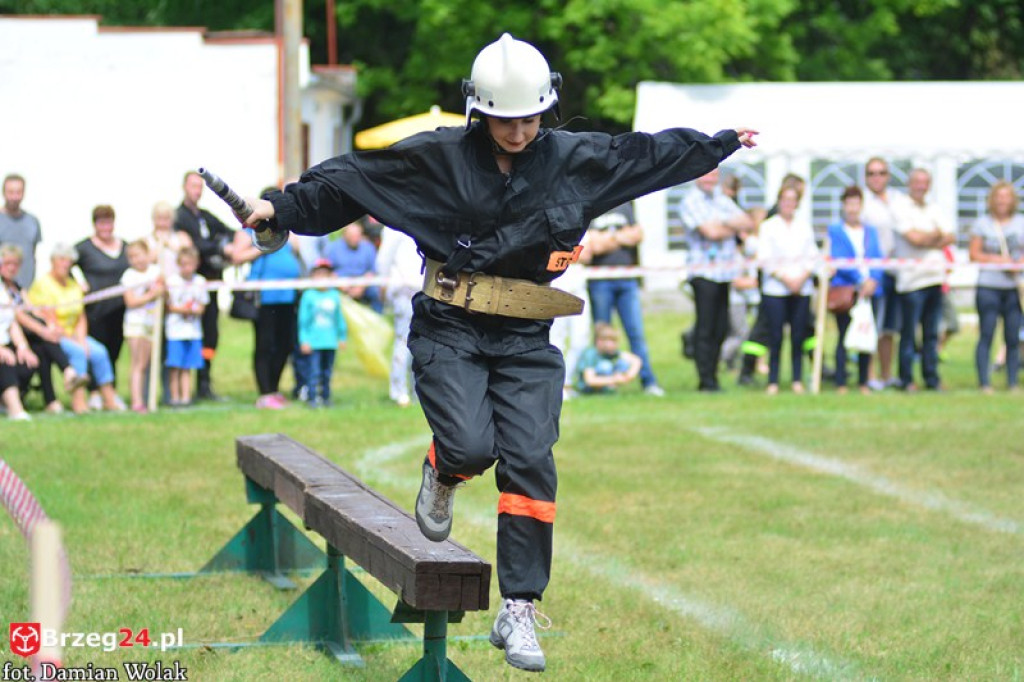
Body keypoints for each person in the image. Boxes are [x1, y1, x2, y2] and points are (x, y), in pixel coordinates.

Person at [239, 33, 756, 673]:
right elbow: (351, 180)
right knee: (469, 447)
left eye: (530, 117)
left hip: (526, 336)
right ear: (479, 111)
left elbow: (644, 155)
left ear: (547, 108)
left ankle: (518, 608)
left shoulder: (576, 159)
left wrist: (719, 141)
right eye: (504, 119)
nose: (518, 130)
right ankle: (444, 467)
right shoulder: (436, 158)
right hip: (448, 326)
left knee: (532, 458)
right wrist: (279, 208)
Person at [680, 168, 755, 391]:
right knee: (706, 327)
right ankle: (706, 380)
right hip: (703, 272)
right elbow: (710, 232)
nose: (710, 179)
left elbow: (747, 222)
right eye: (706, 175)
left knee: (721, 327)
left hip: (725, 272)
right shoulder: (690, 200)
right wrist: (731, 226)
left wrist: (722, 224)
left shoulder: (721, 198)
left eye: (714, 175)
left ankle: (713, 373)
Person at [28, 244, 122, 414]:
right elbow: (48, 316)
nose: (65, 264)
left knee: (99, 352)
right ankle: (79, 402)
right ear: (53, 262)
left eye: (69, 261)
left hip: (75, 334)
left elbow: (80, 316)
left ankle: (109, 398)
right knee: (78, 353)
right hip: (55, 336)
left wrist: (81, 338)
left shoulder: (73, 285)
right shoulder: (43, 284)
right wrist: (74, 340)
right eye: (62, 260)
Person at [584, 203, 664, 396]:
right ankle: (604, 384)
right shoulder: (592, 204)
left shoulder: (626, 205)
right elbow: (591, 246)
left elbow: (638, 234)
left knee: (636, 334)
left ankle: (648, 382)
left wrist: (608, 238)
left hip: (627, 280)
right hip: (599, 280)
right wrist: (622, 236)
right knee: (602, 335)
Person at [1, 244, 85, 414]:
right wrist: (42, 330)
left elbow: (32, 310)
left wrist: (50, 326)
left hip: (24, 337)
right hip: (11, 338)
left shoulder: (17, 287)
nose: (12, 267)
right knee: (43, 341)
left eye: (15, 264)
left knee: (42, 349)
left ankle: (52, 399)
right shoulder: (2, 289)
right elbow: (18, 316)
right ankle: (66, 375)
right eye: (7, 263)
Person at [174, 170, 236, 401]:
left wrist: (228, 243)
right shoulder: (179, 217)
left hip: (210, 286)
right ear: (184, 187)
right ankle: (181, 389)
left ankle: (204, 383)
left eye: (200, 187)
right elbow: (196, 247)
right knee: (188, 337)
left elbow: (228, 231)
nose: (197, 191)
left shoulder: (204, 216)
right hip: (190, 290)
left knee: (211, 335)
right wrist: (220, 248)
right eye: (193, 186)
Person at [893, 168, 954, 391]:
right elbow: (914, 239)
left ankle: (931, 378)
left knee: (932, 335)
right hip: (911, 281)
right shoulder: (900, 206)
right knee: (908, 335)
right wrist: (935, 235)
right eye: (917, 182)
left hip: (935, 279)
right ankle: (906, 379)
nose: (921, 186)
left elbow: (950, 235)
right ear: (910, 183)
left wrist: (927, 237)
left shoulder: (934, 207)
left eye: (925, 182)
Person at [756, 185, 819, 394]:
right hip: (775, 289)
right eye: (785, 199)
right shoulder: (768, 226)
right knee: (775, 336)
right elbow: (764, 258)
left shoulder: (804, 226)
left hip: (801, 288)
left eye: (792, 199)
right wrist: (785, 278)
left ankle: (797, 379)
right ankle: (773, 380)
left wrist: (801, 278)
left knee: (798, 336)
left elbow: (812, 256)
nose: (788, 204)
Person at [232, 224, 302, 409]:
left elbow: (296, 251)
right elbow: (237, 256)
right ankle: (265, 392)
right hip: (263, 299)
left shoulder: (284, 231)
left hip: (287, 297)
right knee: (265, 344)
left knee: (285, 345)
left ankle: (274, 389)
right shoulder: (250, 232)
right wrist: (264, 246)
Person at [861, 157, 912, 389]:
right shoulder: (863, 204)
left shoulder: (900, 200)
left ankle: (886, 373)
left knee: (890, 328)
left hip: (897, 272)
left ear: (888, 175)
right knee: (872, 326)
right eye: (872, 173)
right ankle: (870, 375)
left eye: (881, 172)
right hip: (873, 273)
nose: (877, 177)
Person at [969, 181, 1024, 393]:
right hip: (988, 286)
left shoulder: (1020, 222)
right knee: (986, 333)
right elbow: (974, 254)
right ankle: (985, 382)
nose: (1002, 200)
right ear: (992, 199)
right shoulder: (982, 223)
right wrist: (997, 260)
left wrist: (1016, 264)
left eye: (1006, 196)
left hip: (1013, 287)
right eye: (998, 196)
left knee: (1012, 336)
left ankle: (1012, 382)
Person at [828, 186, 883, 394]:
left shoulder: (871, 231)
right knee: (843, 336)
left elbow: (877, 257)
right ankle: (841, 381)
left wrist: (873, 280)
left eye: (856, 203)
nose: (853, 208)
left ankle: (863, 381)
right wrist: (861, 280)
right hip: (847, 290)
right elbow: (840, 258)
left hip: (870, 292)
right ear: (844, 206)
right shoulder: (836, 230)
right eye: (849, 203)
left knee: (866, 335)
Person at [75, 204, 129, 409]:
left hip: (120, 309)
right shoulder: (84, 248)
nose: (105, 227)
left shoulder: (124, 246)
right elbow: (65, 263)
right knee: (96, 350)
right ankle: (94, 392)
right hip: (95, 311)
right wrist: (78, 283)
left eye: (109, 222)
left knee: (114, 351)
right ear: (95, 224)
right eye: (101, 222)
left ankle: (111, 391)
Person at [375, 226, 422, 407]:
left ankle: (411, 391)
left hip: (418, 288)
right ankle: (400, 391)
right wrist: (383, 282)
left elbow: (383, 259)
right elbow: (384, 259)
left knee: (412, 343)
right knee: (405, 342)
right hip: (406, 290)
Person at [120, 240, 164, 412]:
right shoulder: (129, 276)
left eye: (138, 255)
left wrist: (161, 290)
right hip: (135, 324)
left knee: (147, 364)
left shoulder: (155, 271)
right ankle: (137, 401)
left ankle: (148, 398)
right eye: (131, 257)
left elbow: (163, 289)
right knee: (137, 363)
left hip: (152, 322)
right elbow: (130, 301)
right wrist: (151, 295)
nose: (135, 260)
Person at [297, 259, 347, 407]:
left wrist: (342, 337)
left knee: (327, 372)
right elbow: (303, 321)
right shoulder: (308, 296)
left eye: (325, 274)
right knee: (314, 372)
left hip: (330, 342)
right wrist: (304, 340)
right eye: (319, 274)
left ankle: (326, 397)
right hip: (314, 342)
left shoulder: (334, 295)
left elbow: (339, 319)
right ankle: (312, 397)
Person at [164, 247, 208, 406]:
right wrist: (183, 309)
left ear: (196, 264)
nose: (186, 268)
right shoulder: (172, 282)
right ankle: (174, 398)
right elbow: (167, 306)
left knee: (187, 367)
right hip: (175, 332)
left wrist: (193, 310)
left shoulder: (200, 282)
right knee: (175, 366)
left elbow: (202, 306)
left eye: (189, 264)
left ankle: (186, 397)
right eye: (183, 264)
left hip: (193, 331)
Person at [0, 257, 36, 421]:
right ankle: (15, 409)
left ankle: (4, 402)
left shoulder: (3, 289)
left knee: (27, 362)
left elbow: (11, 321)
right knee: (5, 361)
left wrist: (23, 347)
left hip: (6, 342)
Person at [325, 219, 383, 313]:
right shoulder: (333, 248)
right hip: (340, 286)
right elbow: (328, 272)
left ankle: (377, 319)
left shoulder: (368, 248)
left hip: (363, 285)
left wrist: (361, 287)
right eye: (352, 236)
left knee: (375, 291)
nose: (355, 239)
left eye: (357, 236)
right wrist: (340, 285)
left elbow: (372, 272)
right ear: (344, 235)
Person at [573, 322, 642, 394]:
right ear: (598, 341)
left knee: (623, 363)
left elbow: (636, 360)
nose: (611, 345)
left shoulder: (611, 353)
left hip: (609, 381)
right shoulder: (590, 354)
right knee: (606, 366)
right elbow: (589, 380)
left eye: (614, 341)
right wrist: (614, 379)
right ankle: (603, 390)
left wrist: (628, 376)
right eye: (608, 340)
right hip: (588, 388)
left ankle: (608, 389)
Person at [0, 174, 42, 290]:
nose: (14, 197)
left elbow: (33, 255)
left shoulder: (32, 221)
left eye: (18, 192)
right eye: (11, 192)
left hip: (26, 289)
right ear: (3, 193)